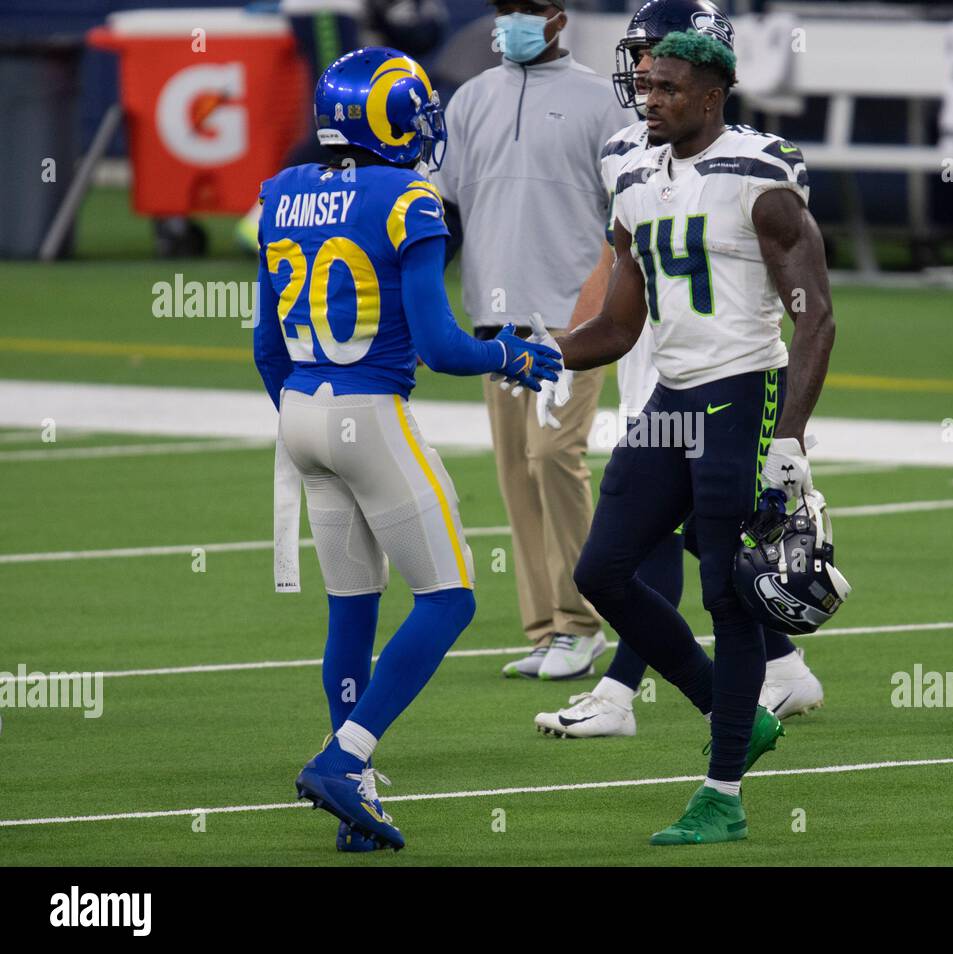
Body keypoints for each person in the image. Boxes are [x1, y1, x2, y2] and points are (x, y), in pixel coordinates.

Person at [252, 46, 560, 852]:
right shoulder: (406, 198)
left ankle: (353, 794)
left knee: (351, 612)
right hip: (369, 414)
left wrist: (300, 419)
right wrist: (513, 357)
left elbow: (264, 346)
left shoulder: (281, 191)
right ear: (391, 118)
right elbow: (442, 345)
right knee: (450, 597)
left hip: (298, 410)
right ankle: (347, 759)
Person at [539, 30, 836, 844]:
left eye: (666, 87)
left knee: (729, 595)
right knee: (602, 568)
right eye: (643, 84)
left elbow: (817, 320)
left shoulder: (762, 175)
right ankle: (730, 710)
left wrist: (789, 439)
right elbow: (619, 324)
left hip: (742, 391)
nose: (649, 98)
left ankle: (723, 793)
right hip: (672, 394)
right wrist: (537, 350)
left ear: (711, 93)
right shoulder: (631, 170)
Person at [430, 0, 630, 679]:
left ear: (557, 17)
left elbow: (626, 213)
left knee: (552, 455)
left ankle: (581, 620)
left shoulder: (602, 101)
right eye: (503, 8)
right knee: (517, 473)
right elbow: (446, 212)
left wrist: (605, 305)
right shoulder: (469, 101)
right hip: (493, 320)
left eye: (527, 8)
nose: (510, 20)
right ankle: (547, 628)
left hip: (570, 322)